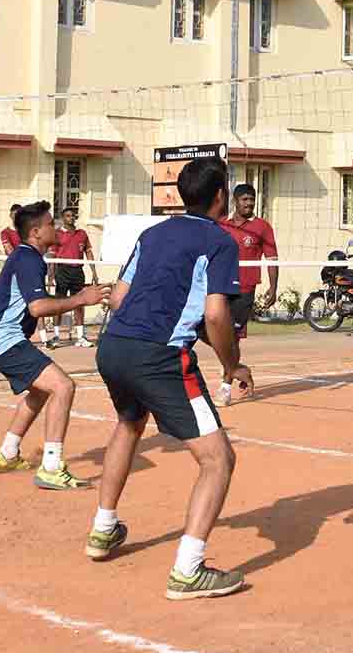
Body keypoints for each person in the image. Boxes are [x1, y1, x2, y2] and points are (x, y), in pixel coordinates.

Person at [87, 156, 252, 599]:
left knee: (129, 424)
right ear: (221, 196)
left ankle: (103, 529)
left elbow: (118, 298)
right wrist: (232, 365)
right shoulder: (219, 242)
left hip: (113, 345)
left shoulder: (153, 233)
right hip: (158, 356)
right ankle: (188, 570)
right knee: (218, 460)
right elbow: (216, 315)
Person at [0, 200, 108, 488]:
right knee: (63, 386)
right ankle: (51, 466)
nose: (57, 227)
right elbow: (37, 308)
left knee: (40, 391)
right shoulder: (28, 258)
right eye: (51, 224)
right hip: (3, 340)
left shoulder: (28, 257)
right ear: (36, 232)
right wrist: (80, 299)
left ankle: (7, 453)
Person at [216, 183, 278, 407]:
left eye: (252, 199)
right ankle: (237, 369)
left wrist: (273, 287)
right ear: (235, 201)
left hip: (244, 290)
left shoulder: (262, 227)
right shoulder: (221, 224)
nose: (249, 203)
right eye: (245, 199)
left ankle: (225, 386)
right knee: (212, 333)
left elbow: (272, 259)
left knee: (233, 337)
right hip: (220, 287)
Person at [46, 206, 96, 349]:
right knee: (59, 303)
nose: (71, 218)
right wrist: (51, 275)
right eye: (68, 216)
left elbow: (88, 252)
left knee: (79, 303)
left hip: (77, 271)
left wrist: (94, 272)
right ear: (63, 218)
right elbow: (52, 256)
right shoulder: (57, 234)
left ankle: (80, 336)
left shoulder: (82, 234)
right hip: (62, 271)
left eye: (73, 215)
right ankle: (56, 336)